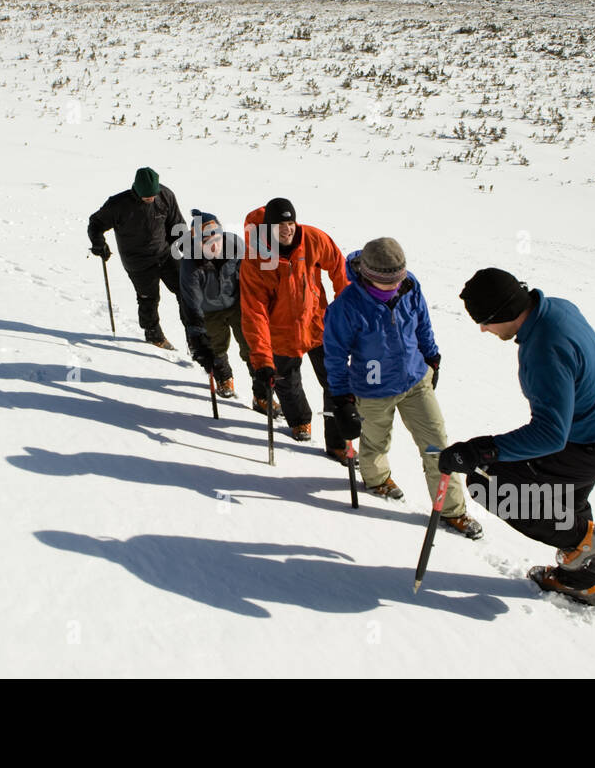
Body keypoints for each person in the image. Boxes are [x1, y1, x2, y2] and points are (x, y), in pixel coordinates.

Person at [436, 268, 595, 606]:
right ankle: (580, 582)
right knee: (565, 503)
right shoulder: (558, 307)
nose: (482, 329)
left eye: (484, 321)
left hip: (582, 445)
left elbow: (550, 435)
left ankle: (585, 539)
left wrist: (482, 451)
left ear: (504, 314)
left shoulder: (543, 351)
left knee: (487, 483)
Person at [322, 238, 482, 538]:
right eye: (387, 282)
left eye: (398, 279)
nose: (395, 286)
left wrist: (432, 357)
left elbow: (422, 322)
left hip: (414, 380)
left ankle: (452, 510)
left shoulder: (410, 285)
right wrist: (341, 400)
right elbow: (334, 356)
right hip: (372, 390)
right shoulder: (345, 307)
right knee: (376, 443)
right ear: (368, 275)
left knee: (438, 446)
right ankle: (377, 479)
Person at [239, 197, 349, 452]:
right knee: (287, 382)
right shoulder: (255, 260)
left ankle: (337, 442)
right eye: (280, 225)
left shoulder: (312, 238)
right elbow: (255, 313)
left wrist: (344, 310)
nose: (287, 229)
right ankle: (299, 421)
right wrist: (263, 359)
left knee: (336, 382)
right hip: (281, 334)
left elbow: (339, 268)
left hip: (318, 324)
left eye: (290, 222)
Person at [87, 167, 186, 349]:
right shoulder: (118, 204)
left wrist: (186, 248)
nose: (150, 198)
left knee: (185, 290)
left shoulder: (165, 196)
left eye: (153, 195)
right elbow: (96, 223)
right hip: (137, 261)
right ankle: (153, 334)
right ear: (136, 190)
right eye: (146, 196)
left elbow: (177, 225)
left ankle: (194, 333)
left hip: (165, 253)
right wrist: (98, 242)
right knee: (149, 298)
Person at [178, 210, 254, 399]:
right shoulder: (191, 263)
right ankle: (224, 378)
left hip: (236, 304)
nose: (213, 244)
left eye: (216, 237)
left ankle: (261, 393)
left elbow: (250, 276)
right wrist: (196, 333)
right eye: (205, 240)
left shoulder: (235, 246)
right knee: (216, 348)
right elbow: (191, 301)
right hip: (209, 311)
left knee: (252, 347)